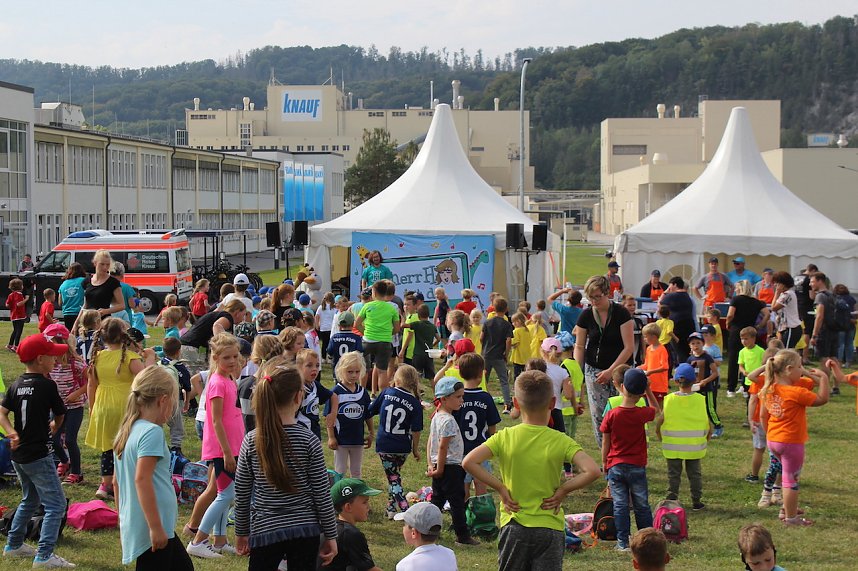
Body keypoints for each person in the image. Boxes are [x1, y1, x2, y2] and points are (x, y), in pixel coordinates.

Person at [463, 370, 600, 569]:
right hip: (550, 527)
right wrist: (563, 490)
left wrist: (500, 488)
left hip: (514, 525)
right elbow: (593, 470)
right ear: (552, 403)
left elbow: (469, 462)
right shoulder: (561, 440)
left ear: (516, 404)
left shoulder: (505, 436)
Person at [233, 361, 338, 568]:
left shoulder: (252, 440)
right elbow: (321, 492)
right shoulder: (309, 440)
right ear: (299, 396)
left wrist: (241, 531)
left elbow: (242, 492)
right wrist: (331, 534)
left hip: (265, 530)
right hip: (304, 529)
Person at [0, 334, 74, 568]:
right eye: (52, 355)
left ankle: (13, 545)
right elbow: (61, 413)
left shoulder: (16, 384)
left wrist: (12, 432)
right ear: (41, 359)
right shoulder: (47, 385)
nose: (55, 359)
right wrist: (54, 426)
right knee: (56, 504)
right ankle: (44, 556)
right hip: (39, 455)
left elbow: (1, 412)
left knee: (29, 498)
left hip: (19, 456)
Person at [113, 366, 194, 570]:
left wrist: (123, 520)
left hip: (152, 524)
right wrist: (155, 527)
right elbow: (141, 479)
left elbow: (116, 482)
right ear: (163, 400)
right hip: (153, 525)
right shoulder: (151, 432)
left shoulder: (129, 429)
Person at [85, 317, 156, 500]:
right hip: (124, 405)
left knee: (108, 446)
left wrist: (93, 408)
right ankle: (123, 481)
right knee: (124, 445)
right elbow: (145, 377)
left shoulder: (97, 356)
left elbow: (91, 385)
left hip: (102, 405)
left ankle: (105, 484)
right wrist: (150, 359)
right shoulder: (130, 357)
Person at [187, 333, 244, 558]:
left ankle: (219, 540)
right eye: (226, 357)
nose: (232, 361)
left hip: (234, 447)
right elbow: (216, 420)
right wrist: (227, 453)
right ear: (215, 358)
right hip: (223, 450)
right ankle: (198, 540)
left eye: (235, 356)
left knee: (226, 494)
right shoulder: (218, 383)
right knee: (225, 495)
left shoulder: (229, 380)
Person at [760, 349, 829, 526]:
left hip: (774, 439)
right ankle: (790, 518)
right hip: (791, 442)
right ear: (789, 369)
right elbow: (822, 399)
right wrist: (824, 379)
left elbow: (763, 415)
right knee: (791, 480)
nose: (802, 369)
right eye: (800, 366)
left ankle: (788, 509)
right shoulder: (796, 392)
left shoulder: (769, 388)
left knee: (785, 477)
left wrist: (770, 434)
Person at [574, 275, 635, 446]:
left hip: (620, 371)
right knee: (599, 416)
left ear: (607, 293)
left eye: (597, 297)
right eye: (590, 297)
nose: (593, 301)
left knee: (620, 412)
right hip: (594, 370)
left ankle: (622, 453)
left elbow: (629, 347)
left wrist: (611, 372)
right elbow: (579, 346)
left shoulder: (621, 313)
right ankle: (605, 456)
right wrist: (578, 372)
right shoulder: (585, 315)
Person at [600, 368, 656, 551]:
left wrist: (604, 464)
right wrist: (648, 391)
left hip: (615, 466)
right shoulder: (642, 413)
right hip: (637, 466)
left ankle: (623, 542)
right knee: (641, 505)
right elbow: (657, 410)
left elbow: (605, 443)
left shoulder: (612, 414)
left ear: (622, 387)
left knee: (620, 505)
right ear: (641, 393)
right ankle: (647, 539)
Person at [425, 377, 478, 546]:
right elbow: (442, 447)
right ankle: (462, 536)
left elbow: (430, 442)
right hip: (450, 467)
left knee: (437, 500)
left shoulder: (437, 417)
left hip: (439, 465)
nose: (461, 400)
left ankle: (426, 530)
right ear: (444, 399)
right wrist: (440, 469)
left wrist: (430, 464)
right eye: (457, 397)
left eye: (462, 396)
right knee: (457, 501)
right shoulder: (448, 420)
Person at [368, 364, 423, 520]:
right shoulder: (414, 403)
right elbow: (416, 430)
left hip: (385, 444)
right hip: (403, 447)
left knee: (393, 478)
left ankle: (405, 509)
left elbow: (371, 410)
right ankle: (390, 509)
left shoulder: (386, 393)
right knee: (394, 476)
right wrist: (415, 449)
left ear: (396, 379)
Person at [656, 363, 711, 510]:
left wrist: (660, 436)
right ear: (694, 381)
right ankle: (696, 501)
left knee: (673, 474)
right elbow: (708, 424)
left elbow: (660, 422)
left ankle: (672, 498)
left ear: (675, 381)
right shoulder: (700, 400)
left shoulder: (669, 400)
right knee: (695, 475)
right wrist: (706, 439)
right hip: (694, 446)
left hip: (672, 446)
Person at [44, 324, 87, 485]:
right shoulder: (49, 363)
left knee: (70, 440)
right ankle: (64, 460)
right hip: (57, 408)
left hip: (75, 407)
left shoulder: (75, 363)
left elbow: (89, 382)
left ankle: (76, 473)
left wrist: (76, 394)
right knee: (53, 440)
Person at [453, 353, 500, 498]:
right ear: (481, 374)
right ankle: (480, 515)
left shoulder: (456, 397)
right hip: (480, 450)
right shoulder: (485, 397)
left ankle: (463, 514)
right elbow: (492, 425)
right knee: (480, 485)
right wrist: (492, 443)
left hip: (460, 450)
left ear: (460, 373)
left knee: (463, 486)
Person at [326, 352, 373, 478]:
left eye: (357, 372)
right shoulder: (335, 392)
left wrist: (371, 433)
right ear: (341, 370)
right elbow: (329, 416)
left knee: (356, 472)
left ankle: (355, 496)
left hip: (357, 440)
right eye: (350, 372)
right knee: (340, 471)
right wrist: (331, 437)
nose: (354, 375)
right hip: (341, 440)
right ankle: (340, 496)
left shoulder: (363, 392)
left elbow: (368, 415)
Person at [328, 478, 383, 571]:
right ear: (348, 507)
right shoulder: (350, 534)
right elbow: (369, 569)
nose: (368, 507)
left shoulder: (331, 527)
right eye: (364, 502)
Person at [356, 280, 401, 394]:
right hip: (384, 342)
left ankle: (362, 393)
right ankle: (382, 398)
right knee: (382, 371)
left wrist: (365, 331)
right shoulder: (392, 308)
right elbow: (396, 329)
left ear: (373, 293)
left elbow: (356, 324)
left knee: (364, 369)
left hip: (368, 340)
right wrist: (386, 333)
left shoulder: (367, 306)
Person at [726, 281, 769, 397]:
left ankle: (731, 388)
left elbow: (730, 314)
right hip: (751, 331)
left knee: (734, 359)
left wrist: (727, 323)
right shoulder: (757, 302)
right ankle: (745, 386)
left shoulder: (736, 300)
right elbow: (767, 314)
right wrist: (760, 325)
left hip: (737, 331)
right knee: (748, 359)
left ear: (740, 288)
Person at [393, 502, 456, 571]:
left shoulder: (406, 565)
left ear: (414, 533)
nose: (403, 528)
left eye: (405, 524)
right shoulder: (449, 554)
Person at [74, 250, 124, 334]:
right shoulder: (87, 281)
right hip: (87, 323)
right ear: (95, 263)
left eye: (107, 264)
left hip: (103, 323)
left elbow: (122, 305)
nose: (105, 267)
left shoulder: (113, 282)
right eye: (102, 264)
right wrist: (76, 324)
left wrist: (106, 311)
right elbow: (85, 305)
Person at [481, 296, 514, 413]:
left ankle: (482, 401)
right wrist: (507, 353)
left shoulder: (487, 322)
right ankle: (507, 404)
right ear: (506, 309)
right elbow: (508, 340)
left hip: (486, 354)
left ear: (493, 308)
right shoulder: (507, 325)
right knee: (503, 380)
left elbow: (481, 337)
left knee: (484, 379)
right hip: (499, 355)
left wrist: (484, 346)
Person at [808, 272, 840, 395]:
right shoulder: (832, 294)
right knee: (834, 359)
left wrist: (814, 334)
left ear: (820, 281)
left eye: (812, 281)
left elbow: (819, 316)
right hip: (834, 329)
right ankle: (836, 387)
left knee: (824, 359)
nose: (811, 284)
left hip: (824, 330)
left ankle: (825, 387)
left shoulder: (820, 296)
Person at [687, 332, 722, 437]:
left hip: (707, 388)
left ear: (703, 343)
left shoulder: (707, 357)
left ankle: (718, 426)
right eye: (693, 343)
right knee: (696, 409)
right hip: (695, 388)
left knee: (709, 408)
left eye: (698, 343)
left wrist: (706, 381)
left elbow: (715, 373)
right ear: (690, 346)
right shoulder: (690, 359)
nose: (696, 346)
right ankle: (699, 427)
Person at [659, 277, 697, 363]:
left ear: (675, 285)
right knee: (688, 351)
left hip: (676, 329)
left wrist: (665, 292)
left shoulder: (671, 296)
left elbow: (660, 305)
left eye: (670, 286)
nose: (669, 288)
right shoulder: (687, 297)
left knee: (679, 352)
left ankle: (682, 370)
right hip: (689, 327)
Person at [639, 323, 670, 406]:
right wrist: (639, 368)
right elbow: (647, 364)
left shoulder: (662, 350)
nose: (644, 339)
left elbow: (665, 367)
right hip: (650, 384)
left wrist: (650, 372)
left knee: (659, 407)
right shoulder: (649, 349)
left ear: (653, 336)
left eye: (646, 336)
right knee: (649, 406)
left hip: (660, 386)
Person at [770, 272, 802, 349]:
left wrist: (777, 293)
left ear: (783, 284)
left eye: (777, 283)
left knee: (786, 352)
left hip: (791, 328)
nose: (775, 285)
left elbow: (773, 307)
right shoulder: (785, 294)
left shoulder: (787, 294)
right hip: (784, 328)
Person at [58, 262, 87, 330]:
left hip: (67, 314)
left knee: (70, 337)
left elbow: (60, 302)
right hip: (80, 313)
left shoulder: (63, 284)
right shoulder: (84, 281)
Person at [833, 284, 856, 367]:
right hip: (851, 324)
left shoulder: (836, 299)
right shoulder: (851, 298)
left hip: (840, 325)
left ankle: (839, 361)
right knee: (849, 343)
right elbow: (855, 310)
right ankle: (848, 362)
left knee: (840, 344)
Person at [5, 278, 29, 351]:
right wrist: (26, 299)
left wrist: (12, 306)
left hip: (13, 316)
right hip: (20, 316)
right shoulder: (19, 294)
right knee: (19, 331)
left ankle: (10, 344)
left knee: (15, 330)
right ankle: (16, 346)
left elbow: (7, 304)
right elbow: (19, 304)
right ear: (20, 287)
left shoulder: (10, 295)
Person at [509, 312, 533, 380]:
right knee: (526, 372)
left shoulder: (516, 331)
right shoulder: (527, 330)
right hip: (527, 354)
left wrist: (510, 343)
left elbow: (515, 342)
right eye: (513, 322)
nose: (514, 323)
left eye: (516, 321)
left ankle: (517, 385)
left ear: (521, 321)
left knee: (517, 373)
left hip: (518, 355)